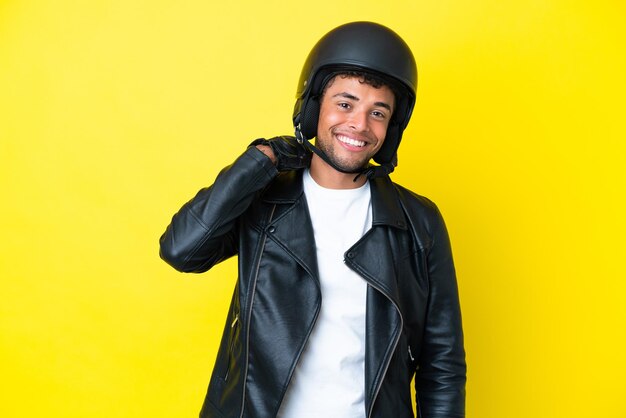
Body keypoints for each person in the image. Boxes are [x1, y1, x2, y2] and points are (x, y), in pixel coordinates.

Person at [160, 21, 466, 418]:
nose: (359, 124)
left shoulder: (419, 222)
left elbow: (442, 363)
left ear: (391, 128)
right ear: (312, 107)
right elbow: (181, 250)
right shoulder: (263, 199)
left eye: (378, 112)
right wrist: (259, 162)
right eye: (345, 103)